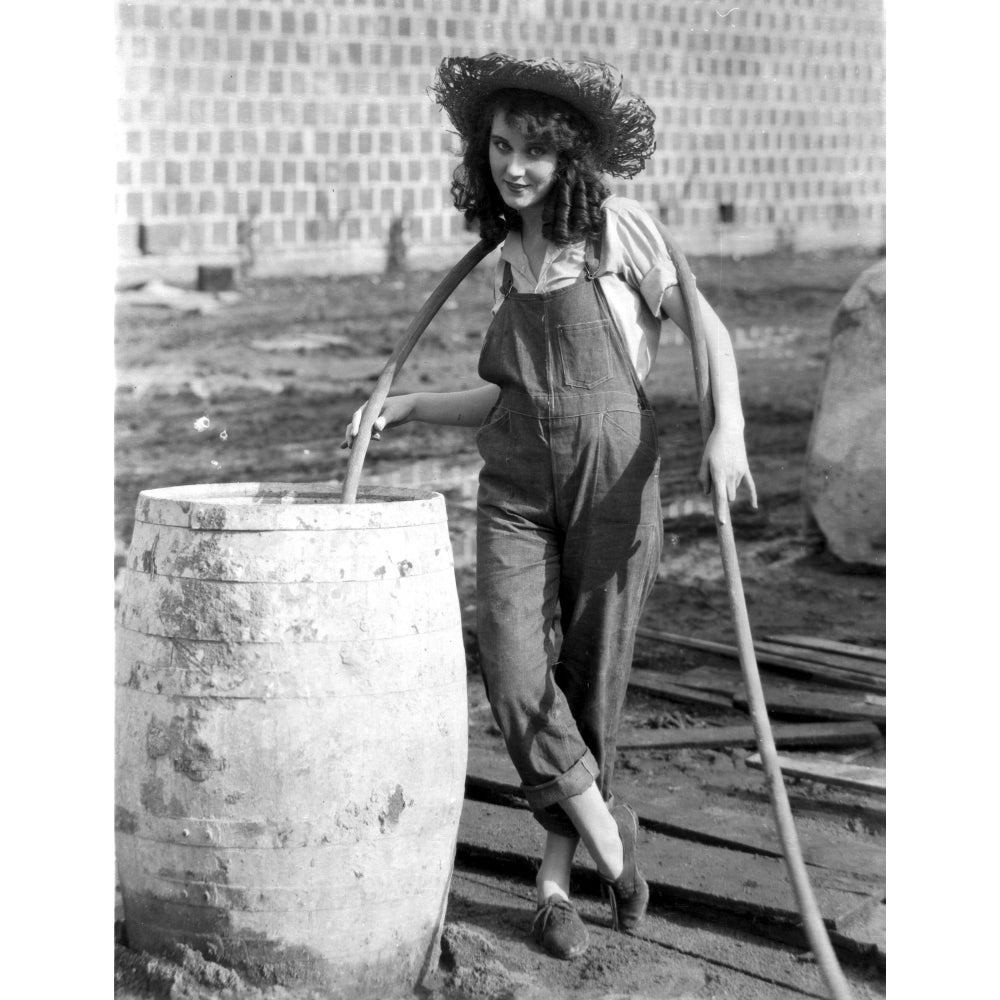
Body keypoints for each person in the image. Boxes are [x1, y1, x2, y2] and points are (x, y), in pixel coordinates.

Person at [344, 53, 756, 960]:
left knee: (590, 678)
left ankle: (555, 884)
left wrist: (726, 431)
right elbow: (516, 398)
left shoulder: (619, 235)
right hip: (518, 487)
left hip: (614, 487)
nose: (514, 166)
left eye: (534, 149)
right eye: (499, 146)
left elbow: (710, 330)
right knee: (512, 660)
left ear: (569, 156)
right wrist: (407, 406)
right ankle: (617, 847)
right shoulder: (507, 259)